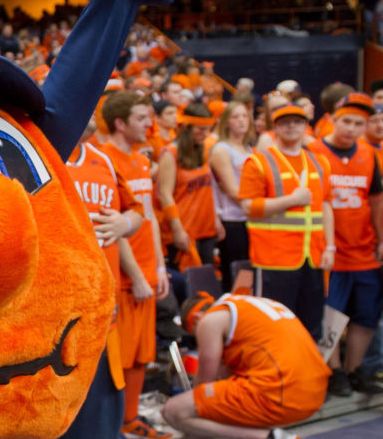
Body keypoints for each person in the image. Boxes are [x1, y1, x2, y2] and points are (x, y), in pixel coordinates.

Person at [63, 117, 142, 438]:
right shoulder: (37, 152)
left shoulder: (104, 160)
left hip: (103, 305)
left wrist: (125, 224)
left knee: (101, 406)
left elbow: (136, 211)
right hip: (59, 309)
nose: (91, 114)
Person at [100, 91, 171, 439]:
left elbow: (150, 217)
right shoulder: (104, 161)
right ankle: (114, 425)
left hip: (147, 269)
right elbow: (115, 227)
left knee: (143, 354)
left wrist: (159, 265)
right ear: (120, 122)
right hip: (126, 276)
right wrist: (137, 274)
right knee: (122, 357)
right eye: (142, 118)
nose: (149, 125)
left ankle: (131, 419)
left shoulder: (142, 161)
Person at [162, 293, 327, 439]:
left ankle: (269, 437)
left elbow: (204, 381)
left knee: (174, 411)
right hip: (315, 391)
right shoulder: (247, 305)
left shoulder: (209, 320)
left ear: (197, 318)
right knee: (220, 406)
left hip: (280, 394)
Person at [306, 92, 383, 395]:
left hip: (363, 249)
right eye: (346, 122)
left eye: (358, 124)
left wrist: (381, 239)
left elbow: (376, 202)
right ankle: (334, 370)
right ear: (333, 121)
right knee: (330, 315)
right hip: (328, 252)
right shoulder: (313, 151)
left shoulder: (368, 154)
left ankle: (355, 370)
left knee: (366, 315)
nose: (351, 129)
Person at [238, 103, 334, 340]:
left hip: (313, 256)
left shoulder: (320, 162)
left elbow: (326, 205)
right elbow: (249, 207)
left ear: (306, 126)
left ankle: (308, 365)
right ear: (275, 128)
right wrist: (291, 200)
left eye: (297, 122)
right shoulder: (259, 161)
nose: (291, 126)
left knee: (312, 326)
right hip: (274, 258)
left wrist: (330, 246)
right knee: (274, 325)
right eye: (285, 122)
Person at [157, 104, 220, 270]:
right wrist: (177, 230)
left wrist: (216, 219)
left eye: (208, 129)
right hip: (184, 230)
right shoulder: (170, 153)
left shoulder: (203, 150)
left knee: (209, 280)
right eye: (200, 129)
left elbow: (208, 190)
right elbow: (165, 195)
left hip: (206, 229)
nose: (205, 134)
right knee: (189, 283)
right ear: (186, 127)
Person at [208, 101, 254, 291]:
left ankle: (245, 303)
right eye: (236, 117)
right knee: (235, 272)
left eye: (244, 116)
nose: (241, 121)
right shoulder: (221, 149)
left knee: (247, 272)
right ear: (226, 122)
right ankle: (234, 305)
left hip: (248, 217)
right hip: (231, 219)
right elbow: (232, 190)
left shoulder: (249, 149)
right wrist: (263, 204)